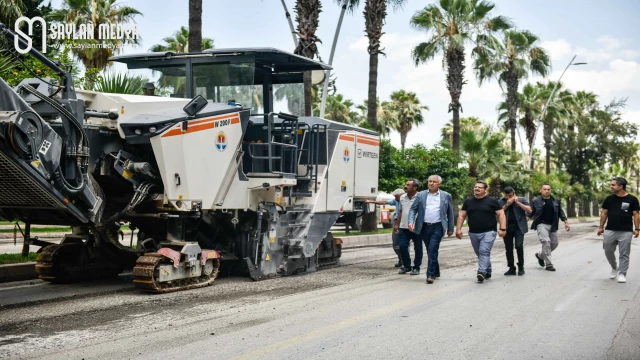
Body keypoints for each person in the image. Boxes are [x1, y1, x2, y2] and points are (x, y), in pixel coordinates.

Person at [456, 180, 506, 283]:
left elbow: (501, 214)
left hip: (489, 231)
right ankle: (488, 270)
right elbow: (462, 215)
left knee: (484, 251)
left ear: (485, 190)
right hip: (473, 232)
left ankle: (481, 272)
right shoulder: (468, 201)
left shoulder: (492, 201)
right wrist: (458, 229)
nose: (477, 189)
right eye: (475, 187)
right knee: (480, 253)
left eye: (479, 187)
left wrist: (502, 228)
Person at [407, 175, 454, 284]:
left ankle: (430, 274)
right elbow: (413, 209)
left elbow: (450, 213)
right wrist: (410, 221)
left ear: (439, 184)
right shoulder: (420, 195)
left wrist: (451, 228)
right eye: (430, 181)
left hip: (438, 226)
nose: (431, 183)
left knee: (432, 249)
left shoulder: (446, 196)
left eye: (434, 182)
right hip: (424, 226)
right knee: (430, 250)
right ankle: (436, 271)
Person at [597, 177, 640, 283]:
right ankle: (614, 267)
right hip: (610, 229)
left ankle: (622, 273)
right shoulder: (609, 199)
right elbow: (604, 213)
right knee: (608, 250)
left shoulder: (632, 199)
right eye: (611, 184)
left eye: (613, 185)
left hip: (626, 231)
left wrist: (637, 228)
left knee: (624, 253)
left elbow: (636, 214)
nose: (611, 186)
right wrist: (601, 227)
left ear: (621, 186)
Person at [529, 184, 570, 272]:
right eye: (545, 189)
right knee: (546, 242)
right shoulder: (535, 201)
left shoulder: (556, 201)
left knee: (554, 243)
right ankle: (549, 264)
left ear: (550, 190)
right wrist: (525, 220)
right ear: (541, 190)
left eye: (548, 189)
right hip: (541, 224)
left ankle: (540, 256)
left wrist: (566, 222)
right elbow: (530, 212)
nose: (547, 191)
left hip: (553, 225)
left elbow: (561, 213)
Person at [498, 187, 532, 276]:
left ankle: (521, 266)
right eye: (507, 196)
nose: (509, 197)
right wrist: (507, 204)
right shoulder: (501, 201)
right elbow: (497, 213)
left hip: (519, 227)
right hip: (506, 227)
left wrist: (518, 203)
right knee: (508, 248)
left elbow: (529, 210)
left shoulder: (522, 199)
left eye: (510, 195)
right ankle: (511, 268)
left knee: (519, 246)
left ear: (514, 193)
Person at [366, 189, 404, 268]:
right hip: (397, 222)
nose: (395, 198)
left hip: (404, 224)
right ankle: (401, 258)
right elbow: (384, 202)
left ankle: (405, 261)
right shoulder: (396, 201)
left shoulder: (406, 201)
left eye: (396, 197)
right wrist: (371, 201)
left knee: (404, 244)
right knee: (395, 244)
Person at [394, 179, 422, 274]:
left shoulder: (421, 197)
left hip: (416, 227)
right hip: (403, 227)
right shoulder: (402, 197)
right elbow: (401, 211)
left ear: (415, 187)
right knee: (402, 246)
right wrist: (397, 224)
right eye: (406, 184)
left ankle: (416, 267)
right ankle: (406, 266)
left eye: (408, 185)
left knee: (418, 248)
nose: (405, 186)